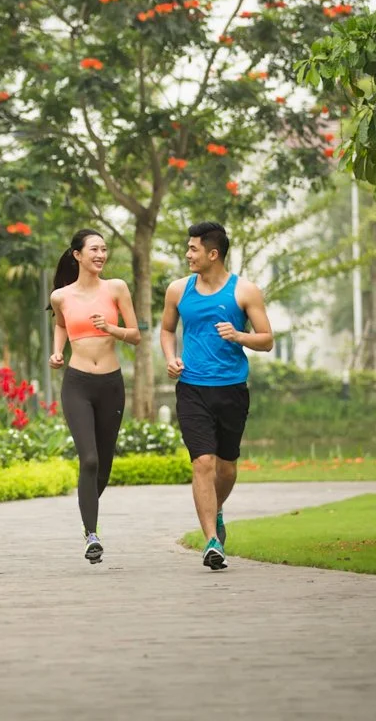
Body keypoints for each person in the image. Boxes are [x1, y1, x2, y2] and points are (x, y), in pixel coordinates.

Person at [158, 220, 273, 571]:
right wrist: (170, 358)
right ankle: (211, 541)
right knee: (202, 463)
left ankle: (217, 509)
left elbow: (266, 339)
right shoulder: (178, 290)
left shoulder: (245, 291)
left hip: (232, 389)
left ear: (213, 254)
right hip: (192, 387)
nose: (187, 254)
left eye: (193, 249)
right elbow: (166, 329)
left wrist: (239, 336)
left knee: (226, 467)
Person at [49, 228, 141, 563]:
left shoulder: (116, 288)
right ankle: (91, 534)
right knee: (88, 459)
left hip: (111, 386)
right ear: (77, 255)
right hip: (77, 384)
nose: (100, 255)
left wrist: (111, 328)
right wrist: (58, 352)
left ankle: (88, 511)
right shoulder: (61, 296)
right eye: (94, 249)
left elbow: (135, 335)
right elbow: (60, 325)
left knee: (102, 467)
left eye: (104, 249)